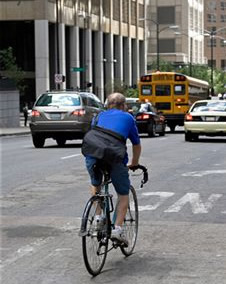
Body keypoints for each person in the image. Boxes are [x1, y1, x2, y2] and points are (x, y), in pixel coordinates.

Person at [85, 92, 141, 245]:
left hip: (92, 155)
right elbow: (136, 144)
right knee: (123, 194)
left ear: (107, 105)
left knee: (95, 184)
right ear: (123, 106)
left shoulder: (98, 117)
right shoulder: (128, 118)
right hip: (115, 158)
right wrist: (134, 163)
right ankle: (117, 229)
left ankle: (98, 217)